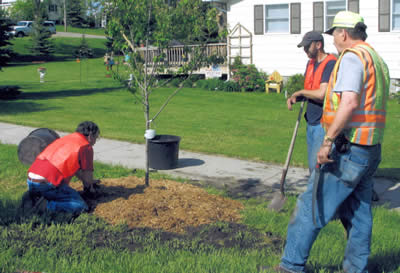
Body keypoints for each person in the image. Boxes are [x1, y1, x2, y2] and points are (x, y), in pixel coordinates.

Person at [270, 11, 390, 273]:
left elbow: (348, 102)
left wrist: (327, 142)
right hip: (370, 149)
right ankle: (356, 269)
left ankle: (290, 267)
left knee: (311, 206)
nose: (334, 40)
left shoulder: (351, 58)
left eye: (334, 33)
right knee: (358, 214)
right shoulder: (377, 60)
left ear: (344, 33)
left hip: (347, 149)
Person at [23, 121, 101, 215]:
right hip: (47, 184)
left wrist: (89, 180)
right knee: (80, 206)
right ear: (90, 135)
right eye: (96, 137)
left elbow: (74, 168)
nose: (95, 141)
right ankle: (44, 206)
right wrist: (90, 188)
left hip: (32, 180)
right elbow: (87, 181)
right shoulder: (85, 146)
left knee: (65, 192)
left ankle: (35, 196)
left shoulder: (67, 139)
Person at [287, 31, 337, 173]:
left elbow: (322, 94)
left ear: (318, 45)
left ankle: (316, 195)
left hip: (324, 123)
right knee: (313, 165)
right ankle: (316, 193)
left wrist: (301, 92)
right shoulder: (311, 64)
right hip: (311, 120)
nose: (305, 50)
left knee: (319, 166)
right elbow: (311, 91)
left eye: (307, 47)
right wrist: (296, 98)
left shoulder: (330, 64)